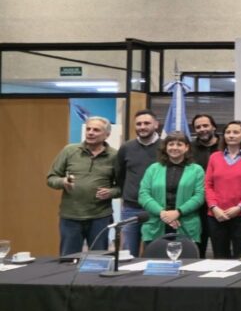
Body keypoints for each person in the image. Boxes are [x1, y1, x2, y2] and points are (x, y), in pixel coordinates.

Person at [47, 116, 120, 256]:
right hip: (71, 216)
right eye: (88, 129)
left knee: (98, 259)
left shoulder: (115, 156)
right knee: (68, 260)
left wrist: (111, 192)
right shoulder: (69, 151)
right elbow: (51, 178)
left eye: (96, 130)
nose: (90, 132)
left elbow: (122, 186)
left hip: (100, 217)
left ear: (107, 135)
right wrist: (63, 182)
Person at [137, 131, 206, 250]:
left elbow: (199, 196)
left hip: (185, 225)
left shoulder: (197, 170)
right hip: (156, 224)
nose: (175, 147)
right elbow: (143, 194)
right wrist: (163, 213)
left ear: (186, 148)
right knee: (156, 260)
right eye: (171, 144)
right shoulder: (153, 169)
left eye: (179, 144)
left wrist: (178, 212)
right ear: (165, 147)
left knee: (186, 260)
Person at [205, 121, 241, 258]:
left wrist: (239, 207)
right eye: (228, 132)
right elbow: (208, 185)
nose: (231, 135)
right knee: (220, 256)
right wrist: (214, 207)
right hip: (217, 215)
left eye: (236, 132)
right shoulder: (214, 157)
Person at [115, 109, 161, 256]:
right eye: (139, 124)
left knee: (154, 252)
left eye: (147, 123)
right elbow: (119, 175)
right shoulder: (126, 147)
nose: (142, 127)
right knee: (128, 252)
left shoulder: (166, 147)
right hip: (131, 208)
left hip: (157, 209)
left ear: (156, 125)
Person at [190, 113, 220, 257]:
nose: (202, 129)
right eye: (198, 127)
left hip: (220, 206)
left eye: (205, 125)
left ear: (213, 127)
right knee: (198, 248)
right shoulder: (189, 149)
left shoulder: (224, 146)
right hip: (197, 207)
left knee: (221, 250)